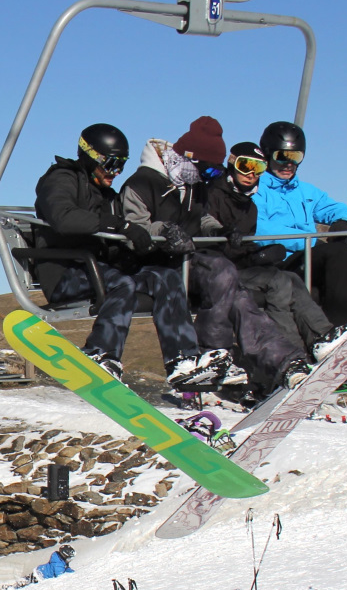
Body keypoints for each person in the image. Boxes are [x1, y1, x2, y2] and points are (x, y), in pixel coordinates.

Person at [123, 118, 311, 394]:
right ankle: (214, 352)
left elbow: (203, 219)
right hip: (156, 267)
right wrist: (165, 231)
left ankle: (285, 362)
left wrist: (221, 230)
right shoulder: (143, 182)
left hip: (190, 261)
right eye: (210, 169)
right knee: (222, 272)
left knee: (238, 295)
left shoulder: (194, 182)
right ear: (190, 160)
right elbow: (133, 227)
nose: (213, 176)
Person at [32, 123, 228, 388]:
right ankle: (101, 352)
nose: (117, 172)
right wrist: (119, 226)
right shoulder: (61, 179)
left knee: (165, 277)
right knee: (120, 283)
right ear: (91, 156)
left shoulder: (106, 194)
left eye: (122, 165)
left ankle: (182, 360)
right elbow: (64, 217)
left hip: (98, 268)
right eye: (111, 164)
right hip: (66, 272)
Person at [252, 121, 347, 383]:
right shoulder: (258, 189)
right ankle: (338, 335)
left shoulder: (305, 191)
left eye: (296, 157)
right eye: (282, 157)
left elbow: (339, 209)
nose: (288, 164)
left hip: (315, 255)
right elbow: (261, 229)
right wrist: (310, 240)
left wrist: (341, 223)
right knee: (337, 254)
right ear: (267, 155)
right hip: (285, 261)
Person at [208, 142, 347, 360]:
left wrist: (257, 256)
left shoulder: (247, 201)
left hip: (242, 264)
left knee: (290, 280)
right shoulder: (216, 194)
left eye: (257, 168)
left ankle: (322, 338)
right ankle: (293, 353)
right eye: (245, 166)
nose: (251, 174)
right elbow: (210, 230)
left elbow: (247, 240)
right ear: (232, 164)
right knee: (279, 283)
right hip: (219, 268)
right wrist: (227, 237)